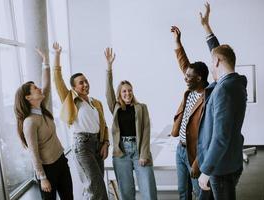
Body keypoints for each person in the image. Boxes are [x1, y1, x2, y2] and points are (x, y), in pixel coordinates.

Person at [197, 3, 247, 200]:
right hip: (227, 162)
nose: (211, 65)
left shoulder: (224, 90)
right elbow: (219, 54)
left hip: (220, 167)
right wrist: (206, 27)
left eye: (212, 62)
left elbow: (221, 137)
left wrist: (206, 170)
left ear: (217, 62)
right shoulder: (237, 82)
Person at [14, 45, 73, 200]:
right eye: (35, 88)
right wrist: (42, 177)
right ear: (28, 98)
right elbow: (33, 152)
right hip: (47, 170)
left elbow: (46, 85)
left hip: (61, 162)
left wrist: (46, 61)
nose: (39, 89)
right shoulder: (29, 122)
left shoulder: (42, 109)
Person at [53, 43, 109, 200]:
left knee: (94, 188)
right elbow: (57, 80)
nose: (85, 84)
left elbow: (104, 126)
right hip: (82, 145)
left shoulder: (96, 103)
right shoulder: (70, 100)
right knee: (96, 187)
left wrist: (105, 143)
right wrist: (57, 55)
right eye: (81, 83)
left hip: (97, 144)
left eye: (86, 81)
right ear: (73, 88)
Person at [104, 47, 158, 200]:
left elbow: (146, 131)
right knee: (126, 192)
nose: (127, 93)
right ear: (119, 94)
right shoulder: (115, 108)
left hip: (139, 150)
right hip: (121, 152)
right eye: (124, 91)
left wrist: (144, 154)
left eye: (130, 90)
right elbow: (108, 91)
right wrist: (109, 68)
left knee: (148, 190)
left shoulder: (141, 108)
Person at [170, 25, 213, 200]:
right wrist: (177, 43)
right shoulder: (191, 89)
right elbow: (184, 64)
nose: (185, 78)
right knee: (183, 192)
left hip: (195, 154)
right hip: (180, 149)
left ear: (199, 78)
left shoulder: (209, 98)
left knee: (200, 192)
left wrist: (197, 161)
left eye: (189, 76)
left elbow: (208, 135)